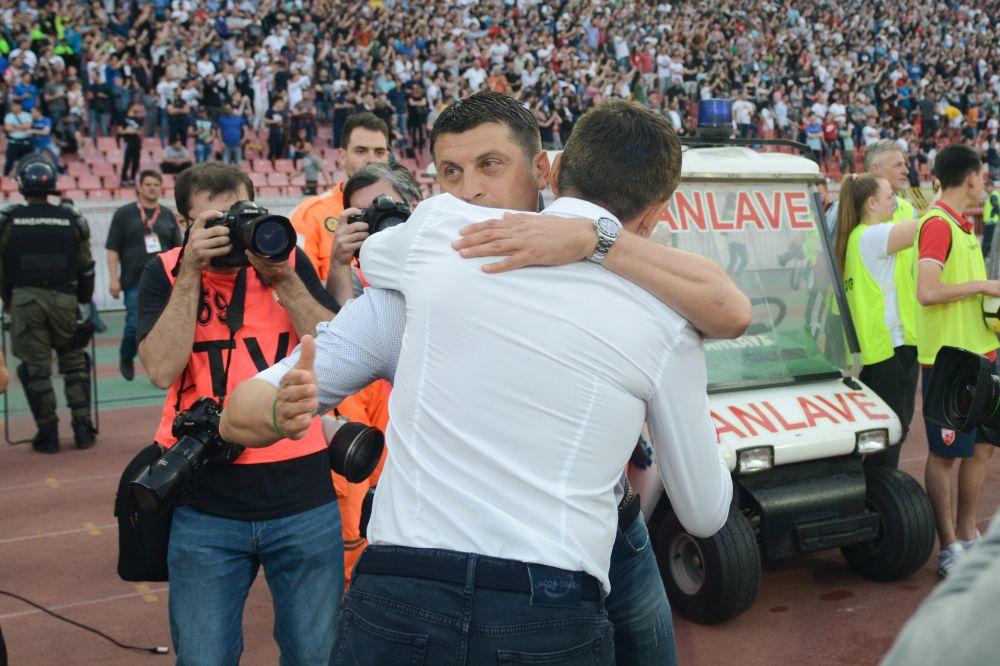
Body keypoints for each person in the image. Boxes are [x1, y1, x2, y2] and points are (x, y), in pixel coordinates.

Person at [220, 92, 750, 666]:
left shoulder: (436, 236)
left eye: (489, 166)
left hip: (412, 587)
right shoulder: (665, 308)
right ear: (658, 211)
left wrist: (586, 242)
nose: (469, 191)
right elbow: (704, 508)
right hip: (545, 592)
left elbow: (375, 258)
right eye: (451, 172)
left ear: (550, 171)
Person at [135, 162, 343, 663]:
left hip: (301, 493)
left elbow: (338, 346)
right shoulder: (165, 269)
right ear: (186, 224)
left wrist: (281, 276)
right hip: (204, 496)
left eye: (239, 216)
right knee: (204, 655)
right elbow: (161, 370)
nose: (231, 234)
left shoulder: (284, 255)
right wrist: (191, 272)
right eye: (213, 223)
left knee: (316, 653)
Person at [915, 144, 1000, 577]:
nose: (984, 184)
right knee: (944, 454)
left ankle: (968, 534)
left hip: (982, 354)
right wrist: (983, 286)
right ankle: (948, 545)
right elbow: (926, 292)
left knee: (983, 447)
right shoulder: (937, 224)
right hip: (950, 362)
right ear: (969, 178)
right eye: (982, 177)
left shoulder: (964, 227)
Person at [0, 153, 96, 453]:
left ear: (22, 186)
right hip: (65, 299)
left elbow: (1, 268)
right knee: (74, 364)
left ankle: (48, 432)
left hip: (26, 300)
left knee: (35, 369)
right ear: (53, 184)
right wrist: (82, 302)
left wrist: (8, 301)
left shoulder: (10, 220)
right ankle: (82, 429)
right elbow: (86, 266)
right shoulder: (71, 219)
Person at [833, 173, 918, 467]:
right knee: (891, 436)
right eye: (888, 196)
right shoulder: (873, 235)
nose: (895, 201)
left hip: (875, 352)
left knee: (880, 437)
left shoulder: (857, 237)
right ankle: (885, 504)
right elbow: (929, 228)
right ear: (871, 203)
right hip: (889, 350)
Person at [288, 112, 391, 281]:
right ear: (342, 156)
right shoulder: (309, 215)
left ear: (387, 157)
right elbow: (300, 291)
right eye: (361, 151)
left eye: (379, 152)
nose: (372, 160)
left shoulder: (409, 213)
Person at [106, 170, 181, 381]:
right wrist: (113, 279)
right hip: (133, 281)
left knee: (165, 325)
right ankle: (126, 355)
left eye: (156, 185)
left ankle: (163, 365)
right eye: (147, 184)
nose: (152, 188)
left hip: (165, 281)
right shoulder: (124, 214)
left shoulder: (167, 215)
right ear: (139, 187)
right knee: (133, 324)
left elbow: (178, 250)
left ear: (161, 188)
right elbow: (112, 250)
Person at [326, 162, 423, 306]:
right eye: (366, 214)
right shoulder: (359, 279)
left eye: (384, 207)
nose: (378, 222)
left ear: (415, 205)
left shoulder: (446, 250)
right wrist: (339, 263)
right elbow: (345, 325)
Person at [3, 100, 33, 176]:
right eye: (13, 106)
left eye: (15, 106)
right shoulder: (8, 116)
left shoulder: (27, 115)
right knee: (9, 161)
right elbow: (8, 128)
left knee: (26, 161)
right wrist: (22, 127)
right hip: (13, 141)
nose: (13, 107)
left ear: (20, 107)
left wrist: (14, 126)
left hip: (25, 141)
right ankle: (5, 177)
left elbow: (28, 126)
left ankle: (26, 177)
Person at [118, 102, 145, 186]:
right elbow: (120, 130)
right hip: (128, 141)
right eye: (137, 106)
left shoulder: (139, 119)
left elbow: (141, 131)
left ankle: (132, 179)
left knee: (136, 162)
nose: (138, 108)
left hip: (137, 142)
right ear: (131, 107)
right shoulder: (124, 118)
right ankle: (123, 179)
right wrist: (127, 131)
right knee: (127, 161)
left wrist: (136, 132)